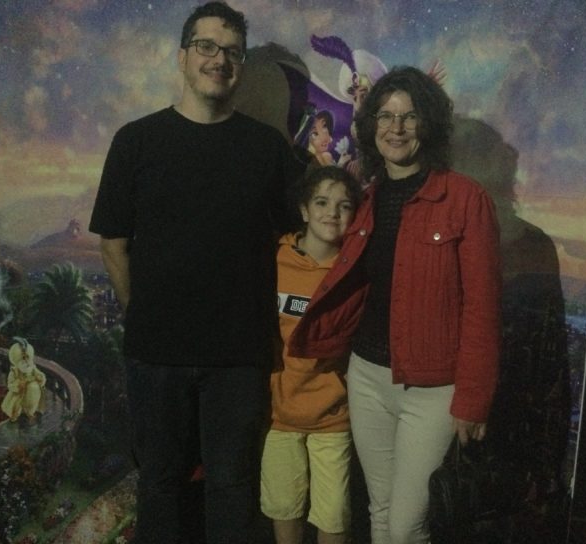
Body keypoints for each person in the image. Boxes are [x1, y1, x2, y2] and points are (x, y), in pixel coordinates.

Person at [88, 2, 300, 542]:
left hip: (239, 358)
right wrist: (146, 315)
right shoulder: (136, 141)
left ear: (241, 66)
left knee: (233, 487)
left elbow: (296, 242)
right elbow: (113, 244)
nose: (219, 60)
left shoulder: (267, 149)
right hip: (157, 354)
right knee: (159, 484)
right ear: (182, 57)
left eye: (232, 51)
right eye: (207, 46)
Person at [289, 66, 502, 543]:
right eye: (386, 116)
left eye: (409, 116)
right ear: (372, 126)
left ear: (428, 124)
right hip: (366, 378)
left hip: (432, 391)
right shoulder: (365, 200)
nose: (396, 127)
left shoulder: (466, 200)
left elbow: (483, 310)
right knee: (381, 511)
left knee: (406, 527)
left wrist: (474, 400)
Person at [261, 166, 361, 544]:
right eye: (321, 202)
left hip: (333, 416)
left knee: (333, 514)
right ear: (304, 210)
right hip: (278, 414)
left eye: (344, 206)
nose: (332, 213)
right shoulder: (275, 259)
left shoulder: (354, 272)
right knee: (283, 506)